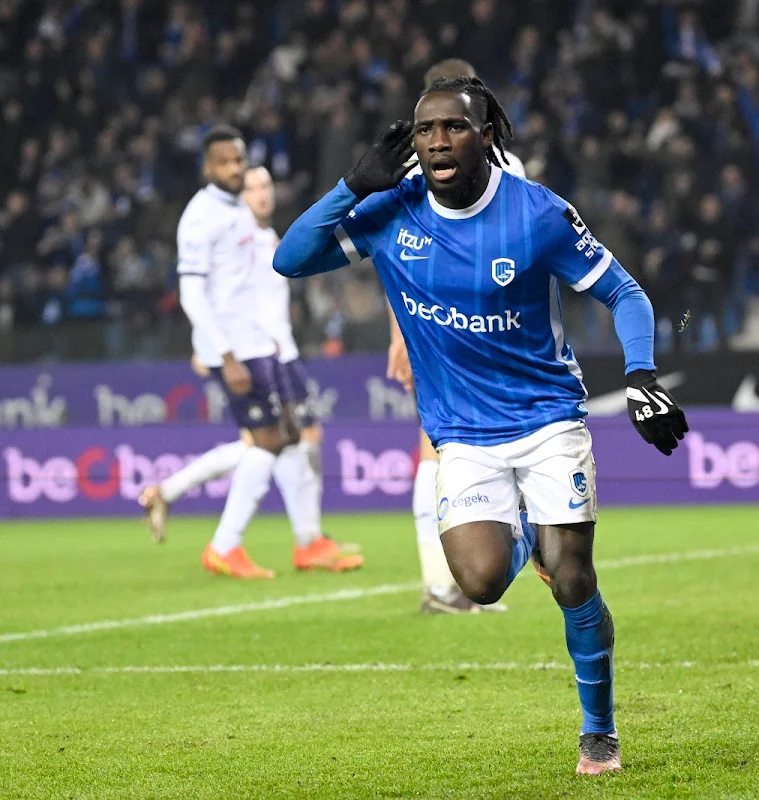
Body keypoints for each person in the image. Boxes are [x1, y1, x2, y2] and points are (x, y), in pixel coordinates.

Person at [274, 76, 688, 774]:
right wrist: (350, 185)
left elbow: (624, 291)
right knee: (480, 583)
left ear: (486, 135)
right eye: (426, 128)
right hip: (462, 434)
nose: (438, 140)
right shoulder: (392, 211)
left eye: (454, 127)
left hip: (547, 417)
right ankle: (529, 535)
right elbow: (290, 258)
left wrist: (642, 375)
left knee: (573, 579)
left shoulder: (537, 215)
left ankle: (599, 731)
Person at [173, 138, 360, 579]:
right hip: (236, 350)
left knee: (289, 438)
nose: (237, 169)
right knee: (269, 442)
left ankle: (306, 540)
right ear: (208, 166)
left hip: (260, 347)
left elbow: (247, 289)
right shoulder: (200, 218)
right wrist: (221, 353)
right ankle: (224, 544)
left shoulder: (240, 214)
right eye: (227, 162)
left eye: (240, 159)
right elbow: (193, 292)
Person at [387, 58, 526, 614]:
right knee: (442, 449)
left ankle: (458, 580)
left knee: (457, 452)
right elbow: (400, 259)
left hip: (477, 329)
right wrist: (402, 333)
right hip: (473, 332)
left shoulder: (504, 168)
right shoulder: (501, 167)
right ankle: (446, 584)